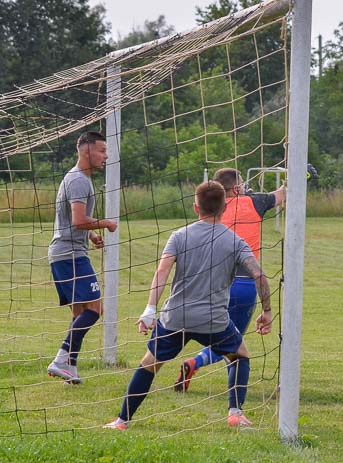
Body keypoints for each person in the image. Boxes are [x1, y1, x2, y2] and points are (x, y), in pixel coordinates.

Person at [104, 181, 273, 430]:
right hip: (213, 320)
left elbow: (162, 271)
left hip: (175, 317)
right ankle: (235, 413)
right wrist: (267, 311)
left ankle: (122, 420)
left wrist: (150, 310)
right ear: (225, 207)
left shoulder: (179, 236)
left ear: (196, 208)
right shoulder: (236, 241)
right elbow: (258, 275)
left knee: (149, 364)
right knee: (240, 356)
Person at [172, 167, 285, 393]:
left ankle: (206, 370)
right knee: (233, 340)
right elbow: (283, 194)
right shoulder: (254, 202)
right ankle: (197, 365)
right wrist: (300, 176)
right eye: (242, 183)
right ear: (235, 188)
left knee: (219, 334)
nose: (245, 186)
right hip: (243, 283)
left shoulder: (214, 211)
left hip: (212, 282)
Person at [47, 131, 118, 384]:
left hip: (65, 252)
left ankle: (70, 368)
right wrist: (107, 223)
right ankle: (60, 359)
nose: (106, 155)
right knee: (95, 309)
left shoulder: (77, 178)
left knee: (79, 313)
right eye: (101, 150)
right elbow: (78, 220)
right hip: (70, 256)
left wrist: (91, 237)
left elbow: (70, 222)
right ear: (86, 150)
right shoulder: (79, 180)